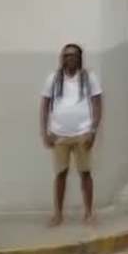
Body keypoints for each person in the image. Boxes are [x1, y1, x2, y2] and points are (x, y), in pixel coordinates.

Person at [40, 43, 103, 226]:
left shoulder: (89, 77)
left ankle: (89, 213)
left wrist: (93, 131)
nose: (70, 58)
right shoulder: (53, 79)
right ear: (62, 58)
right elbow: (45, 105)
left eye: (74, 55)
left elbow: (98, 104)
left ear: (79, 58)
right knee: (61, 174)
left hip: (83, 134)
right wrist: (45, 132)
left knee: (85, 173)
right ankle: (58, 214)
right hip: (59, 135)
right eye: (66, 55)